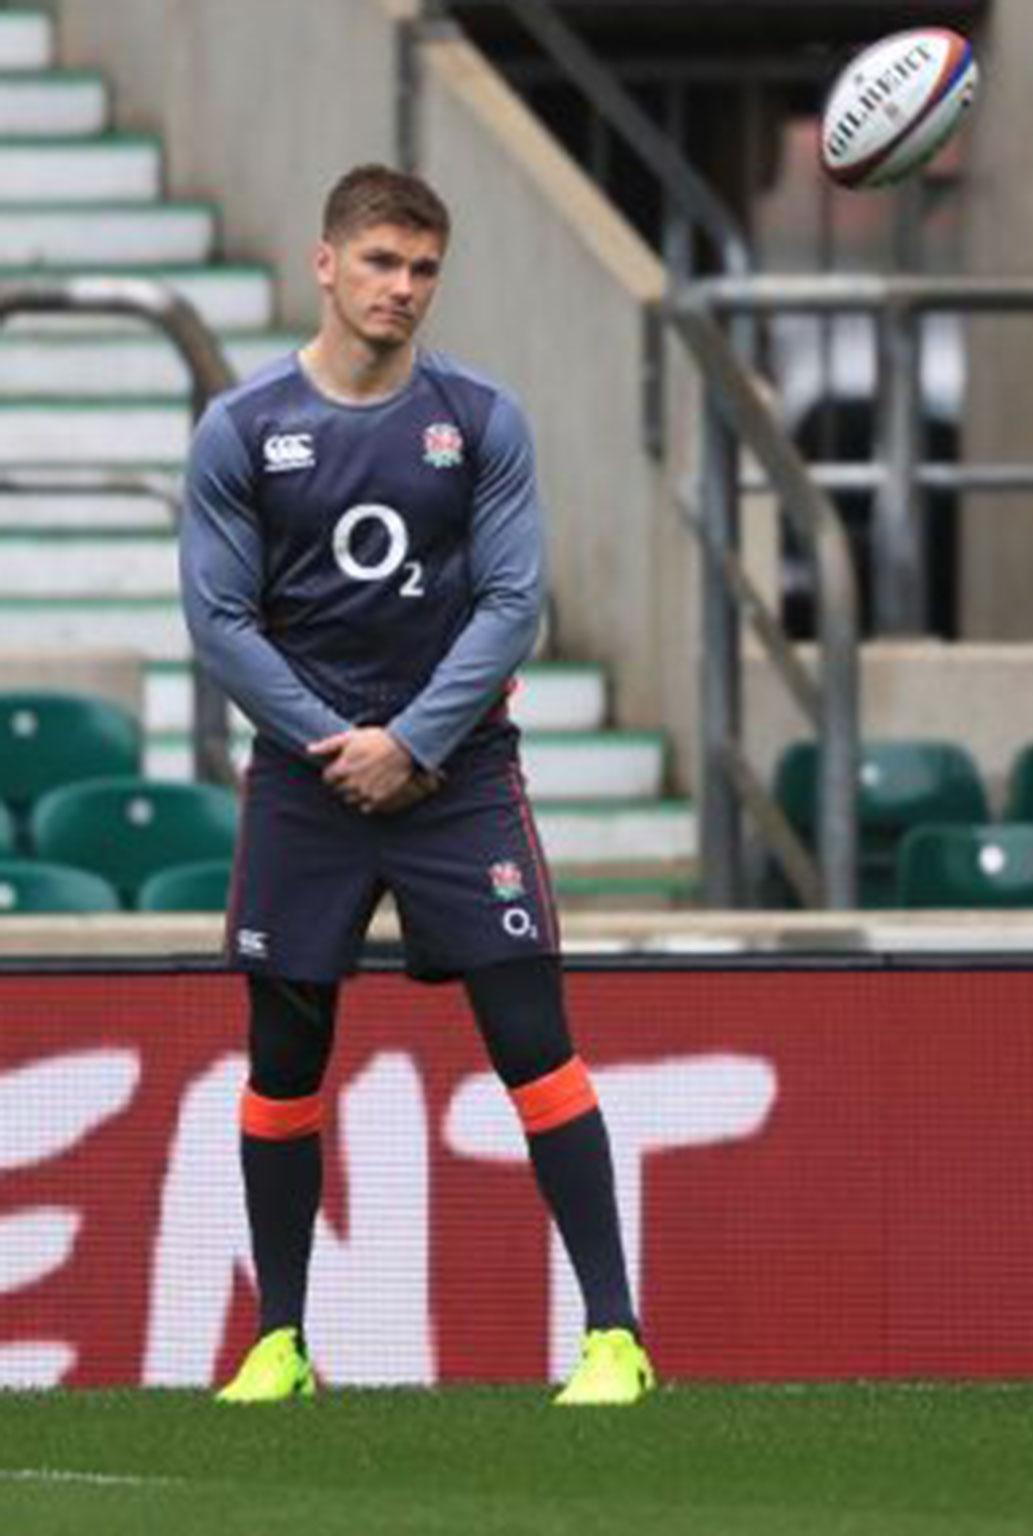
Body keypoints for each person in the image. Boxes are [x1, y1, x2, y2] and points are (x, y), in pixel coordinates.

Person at [180, 164, 653, 1406]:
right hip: (305, 783)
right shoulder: (240, 431)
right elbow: (222, 623)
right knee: (285, 1059)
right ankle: (280, 1341)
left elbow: (512, 606)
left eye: (424, 269)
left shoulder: (481, 418)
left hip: (457, 779)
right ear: (324, 263)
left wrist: (414, 743)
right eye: (382, 262)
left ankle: (614, 1337)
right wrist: (341, 742)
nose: (403, 288)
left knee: (533, 1043)